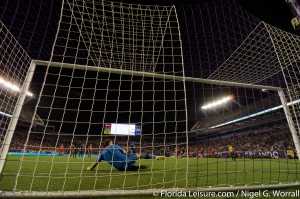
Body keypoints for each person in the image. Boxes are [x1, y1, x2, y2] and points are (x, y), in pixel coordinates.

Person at [87, 139, 164, 171]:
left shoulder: (102, 153)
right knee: (139, 155)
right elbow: (125, 152)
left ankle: (140, 167)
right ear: (110, 143)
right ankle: (155, 157)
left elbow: (95, 163)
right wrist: (127, 148)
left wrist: (90, 168)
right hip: (126, 160)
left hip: (120, 168)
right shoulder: (115, 146)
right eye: (111, 142)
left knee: (129, 167)